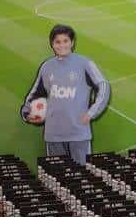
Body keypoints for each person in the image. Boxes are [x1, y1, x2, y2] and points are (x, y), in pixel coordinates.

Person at [21, 24, 110, 164]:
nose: (62, 45)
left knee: (82, 176)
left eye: (66, 41)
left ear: (72, 42)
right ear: (52, 44)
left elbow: (103, 86)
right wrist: (26, 114)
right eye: (57, 42)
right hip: (53, 135)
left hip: (79, 134)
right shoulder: (46, 66)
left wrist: (92, 112)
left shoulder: (85, 63)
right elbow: (34, 95)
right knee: (58, 177)